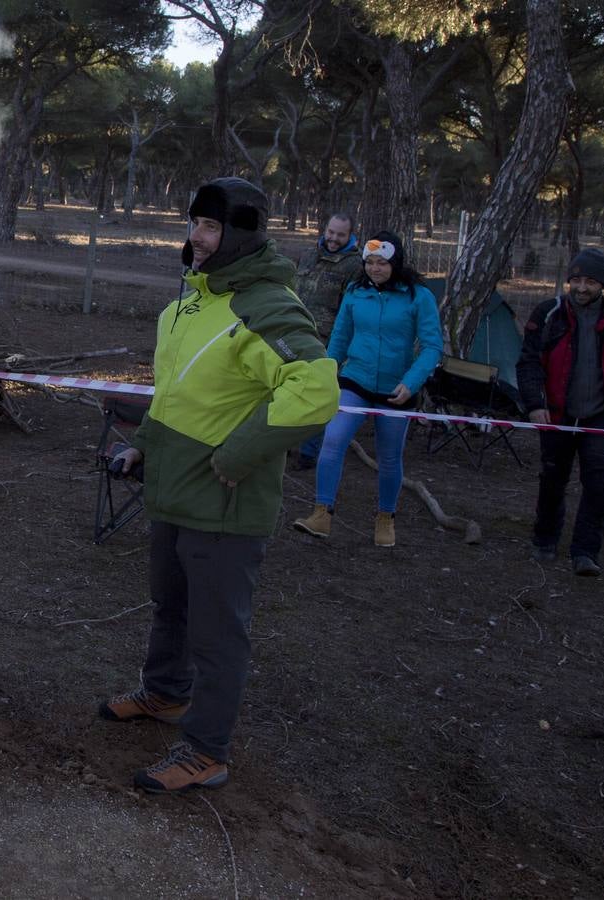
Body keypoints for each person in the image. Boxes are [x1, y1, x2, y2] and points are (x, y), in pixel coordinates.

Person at [99, 177, 339, 793]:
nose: (197, 238)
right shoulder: (190, 305)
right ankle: (165, 695)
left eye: (210, 227)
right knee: (170, 607)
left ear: (239, 233)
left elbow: (314, 388)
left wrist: (240, 454)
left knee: (216, 631)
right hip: (176, 493)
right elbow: (177, 393)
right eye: (194, 224)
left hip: (225, 502)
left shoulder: (265, 304)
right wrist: (142, 448)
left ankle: (206, 751)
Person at [292, 231, 442, 548]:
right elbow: (340, 337)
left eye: (382, 263)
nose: (375, 269)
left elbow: (432, 347)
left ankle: (385, 518)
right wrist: (328, 371)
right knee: (332, 441)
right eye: (370, 262)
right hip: (354, 380)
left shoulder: (418, 296)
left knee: (390, 457)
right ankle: (321, 513)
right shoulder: (355, 291)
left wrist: (411, 382)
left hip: (396, 390)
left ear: (396, 262)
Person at [516, 247, 604, 577]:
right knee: (553, 479)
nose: (582, 287)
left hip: (602, 416)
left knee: (600, 482)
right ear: (569, 280)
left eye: (590, 281)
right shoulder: (549, 313)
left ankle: (586, 551)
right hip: (557, 413)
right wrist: (535, 404)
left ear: (602, 284)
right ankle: (544, 539)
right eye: (577, 280)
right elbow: (529, 362)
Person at [292, 212, 360, 468]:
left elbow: (351, 310)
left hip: (326, 342)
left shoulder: (355, 266)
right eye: (331, 232)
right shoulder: (308, 255)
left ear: (350, 235)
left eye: (340, 235)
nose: (333, 239)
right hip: (295, 333)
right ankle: (283, 444)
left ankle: (308, 452)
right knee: (287, 390)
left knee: (317, 396)